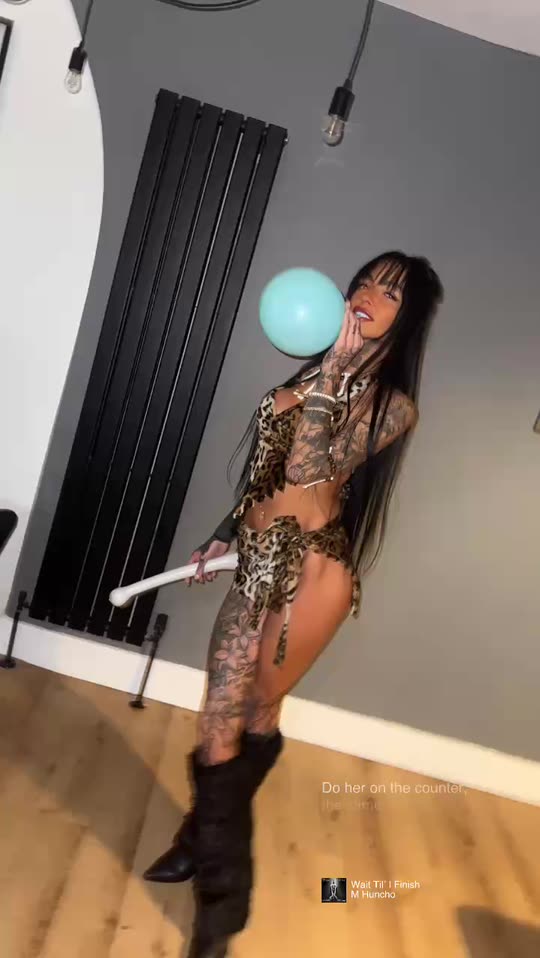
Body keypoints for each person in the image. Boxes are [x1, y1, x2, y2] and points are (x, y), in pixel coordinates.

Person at [144, 251, 444, 958]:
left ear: (409, 319)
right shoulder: (311, 373)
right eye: (365, 281)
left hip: (313, 572)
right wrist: (224, 534)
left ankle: (215, 913)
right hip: (255, 561)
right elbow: (269, 472)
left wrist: (334, 373)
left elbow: (311, 468)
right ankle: (207, 856)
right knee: (221, 718)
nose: (368, 294)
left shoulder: (393, 407)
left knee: (253, 710)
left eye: (390, 292)